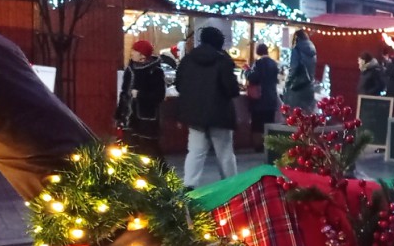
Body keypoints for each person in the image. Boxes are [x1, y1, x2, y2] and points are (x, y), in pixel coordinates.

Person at [175, 26, 240, 186]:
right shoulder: (222, 60)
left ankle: (190, 185)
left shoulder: (188, 59)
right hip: (219, 114)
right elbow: (231, 89)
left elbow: (178, 85)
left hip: (195, 114)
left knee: (195, 151)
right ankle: (231, 185)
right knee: (224, 153)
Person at [115, 38, 166, 158]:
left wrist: (140, 95)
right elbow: (124, 92)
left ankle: (157, 175)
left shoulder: (155, 72)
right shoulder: (130, 70)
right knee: (130, 150)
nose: (131, 53)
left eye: (135, 50)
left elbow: (159, 95)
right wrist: (119, 113)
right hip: (129, 118)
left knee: (149, 150)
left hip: (146, 118)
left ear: (142, 55)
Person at [246, 42, 280, 134]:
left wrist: (247, 71)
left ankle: (258, 147)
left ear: (257, 51)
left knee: (257, 127)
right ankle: (268, 146)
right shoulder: (274, 63)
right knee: (269, 126)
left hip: (259, 101)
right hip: (271, 99)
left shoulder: (258, 63)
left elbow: (252, 77)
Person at [283, 29, 317, 114]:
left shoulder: (297, 49)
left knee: (295, 116)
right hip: (309, 87)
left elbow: (294, 68)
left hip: (297, 88)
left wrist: (287, 83)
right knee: (306, 115)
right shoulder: (313, 51)